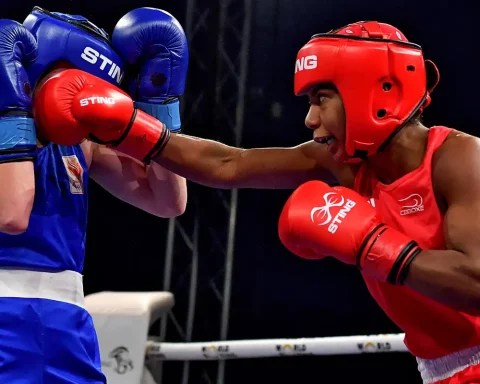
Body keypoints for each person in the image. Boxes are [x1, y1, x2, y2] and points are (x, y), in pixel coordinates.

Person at [62, 21, 477, 383]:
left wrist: (372, 244)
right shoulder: (342, 165)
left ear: (375, 92)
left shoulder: (458, 159)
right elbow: (229, 164)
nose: (310, 120)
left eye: (321, 99)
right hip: (439, 366)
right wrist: (126, 126)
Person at [0, 6, 188, 383]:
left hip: (67, 323)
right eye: (71, 82)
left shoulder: (82, 143)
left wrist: (159, 105)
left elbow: (168, 201)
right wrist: (14, 111)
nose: (78, 97)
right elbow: (13, 215)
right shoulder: (6, 125)